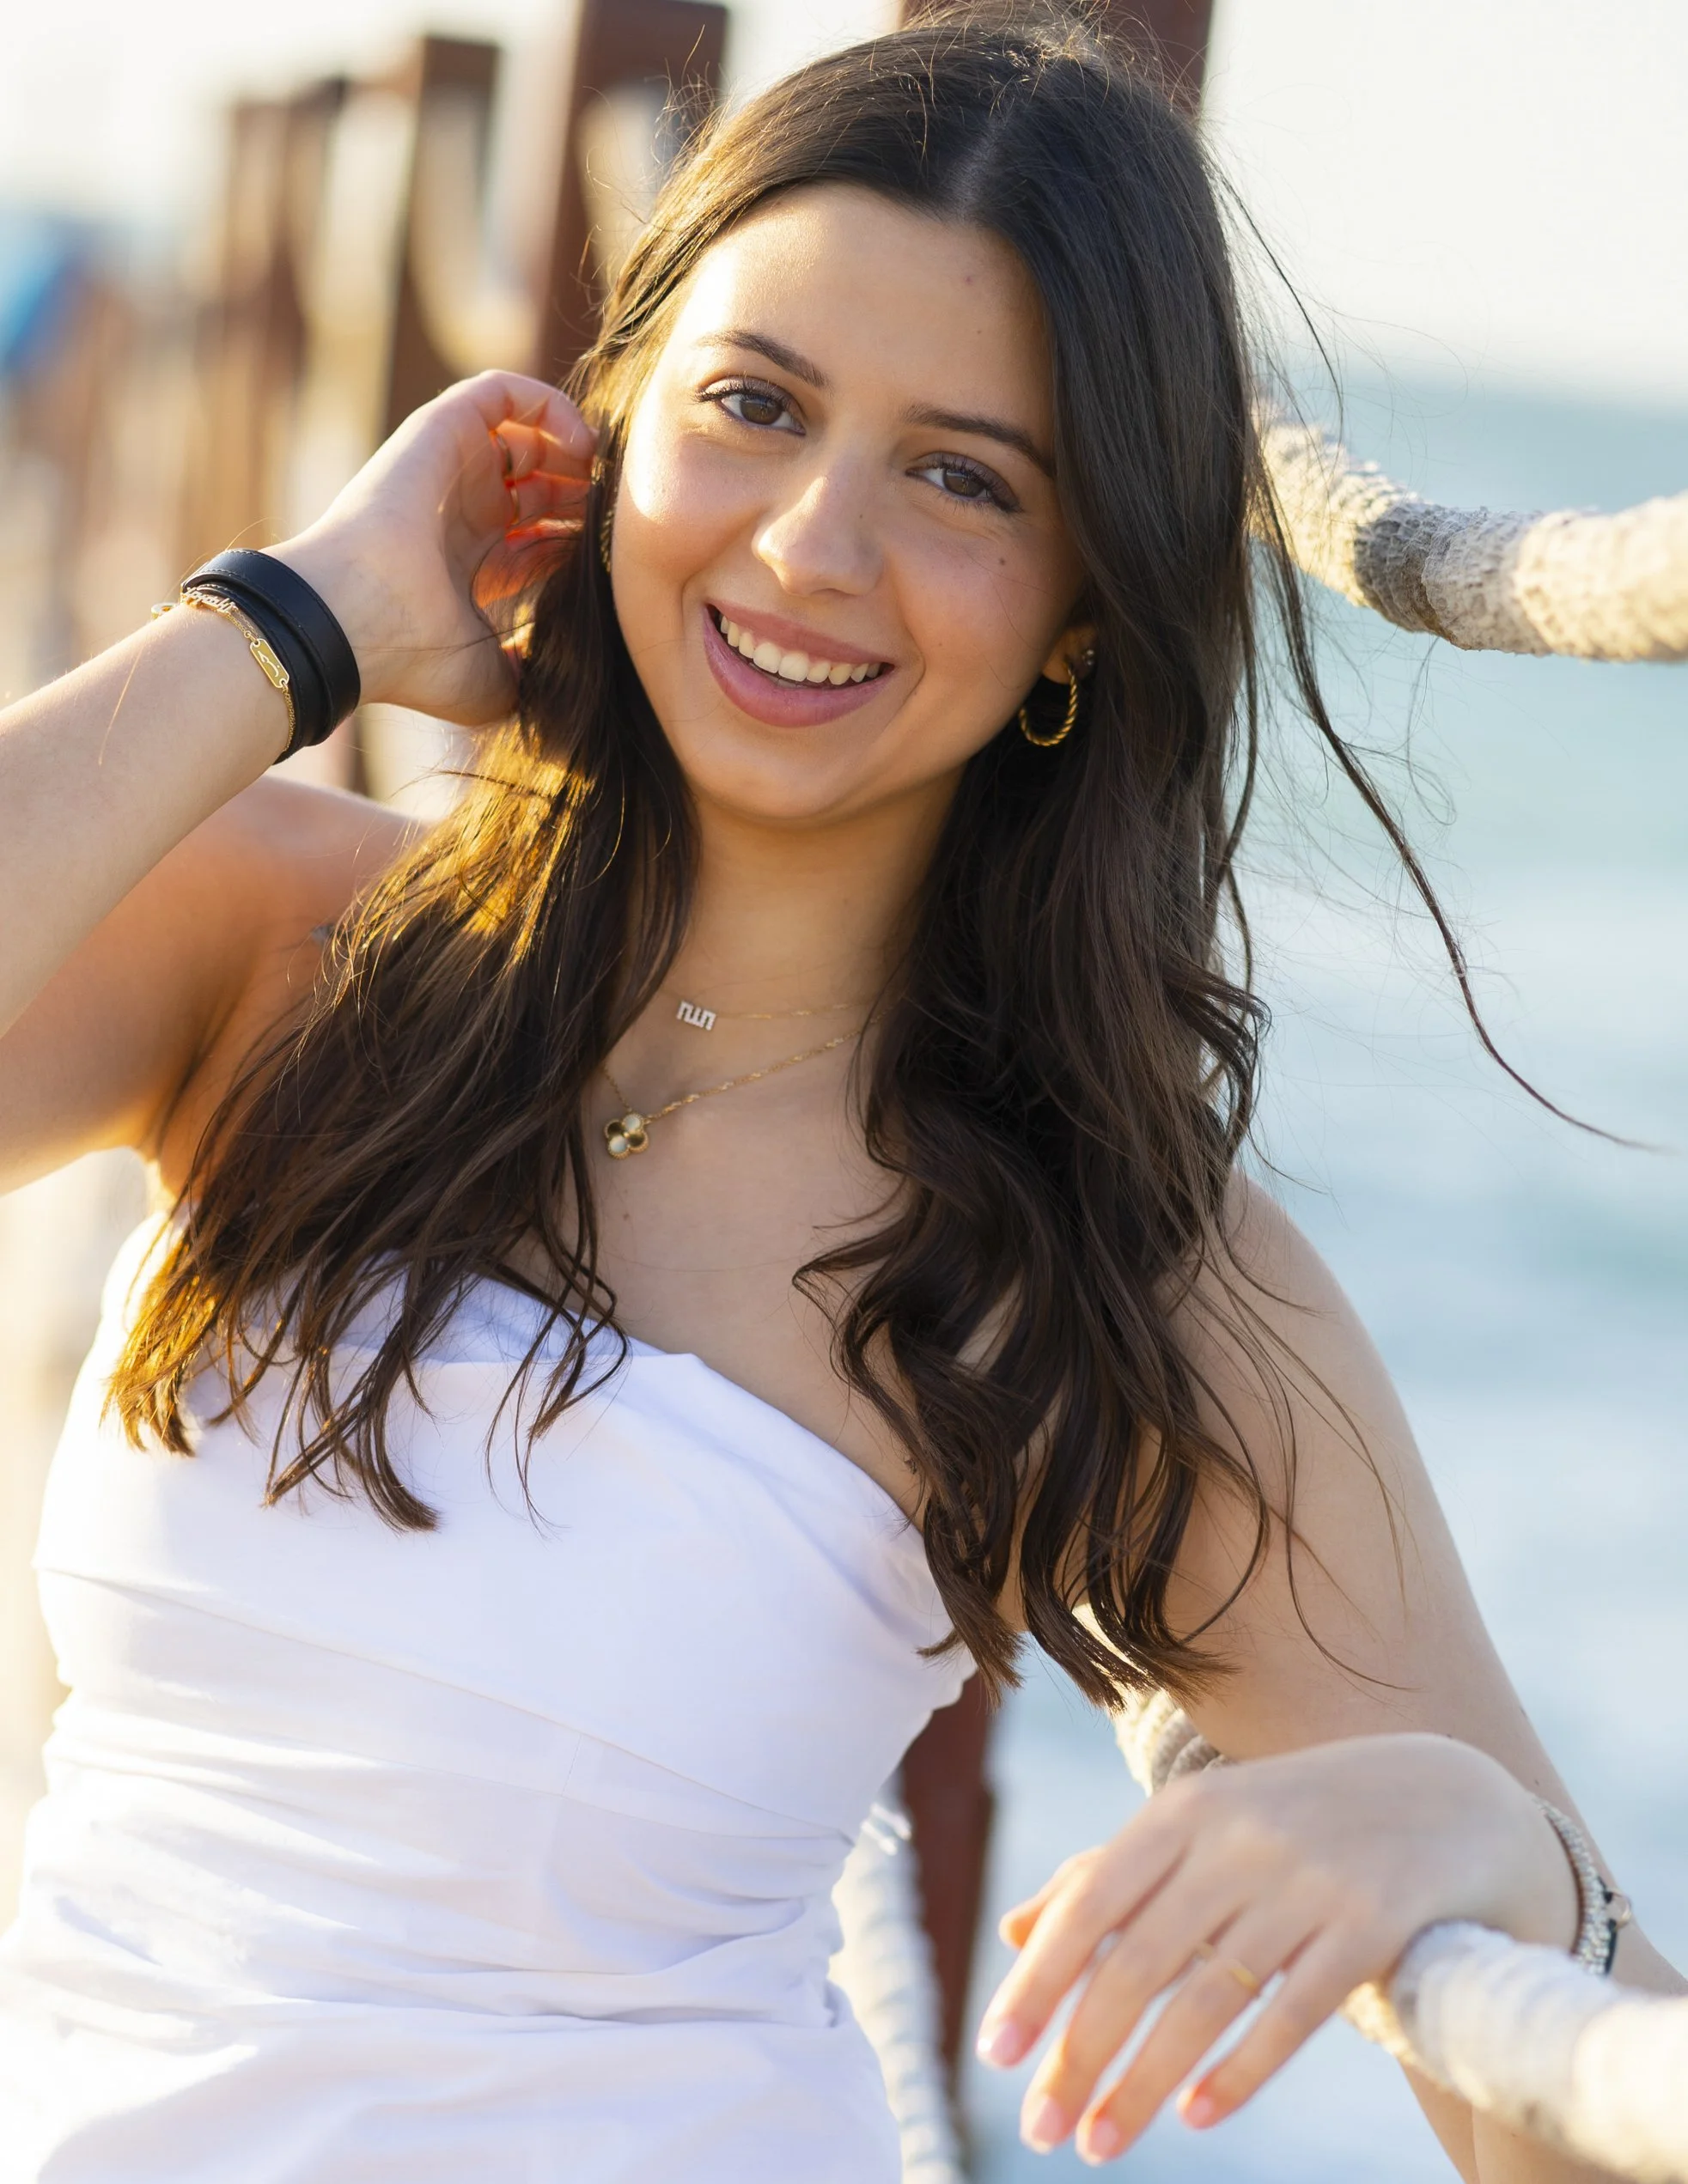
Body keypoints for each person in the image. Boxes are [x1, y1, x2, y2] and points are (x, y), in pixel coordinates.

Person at [0, 9, 1675, 2179]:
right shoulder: (288, 947)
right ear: (600, 432)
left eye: (963, 476)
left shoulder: (1114, 1268)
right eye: (751, 406)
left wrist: (1491, 1854)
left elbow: (1577, 2101)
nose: (809, 544)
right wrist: (303, 617)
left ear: (1084, 606)